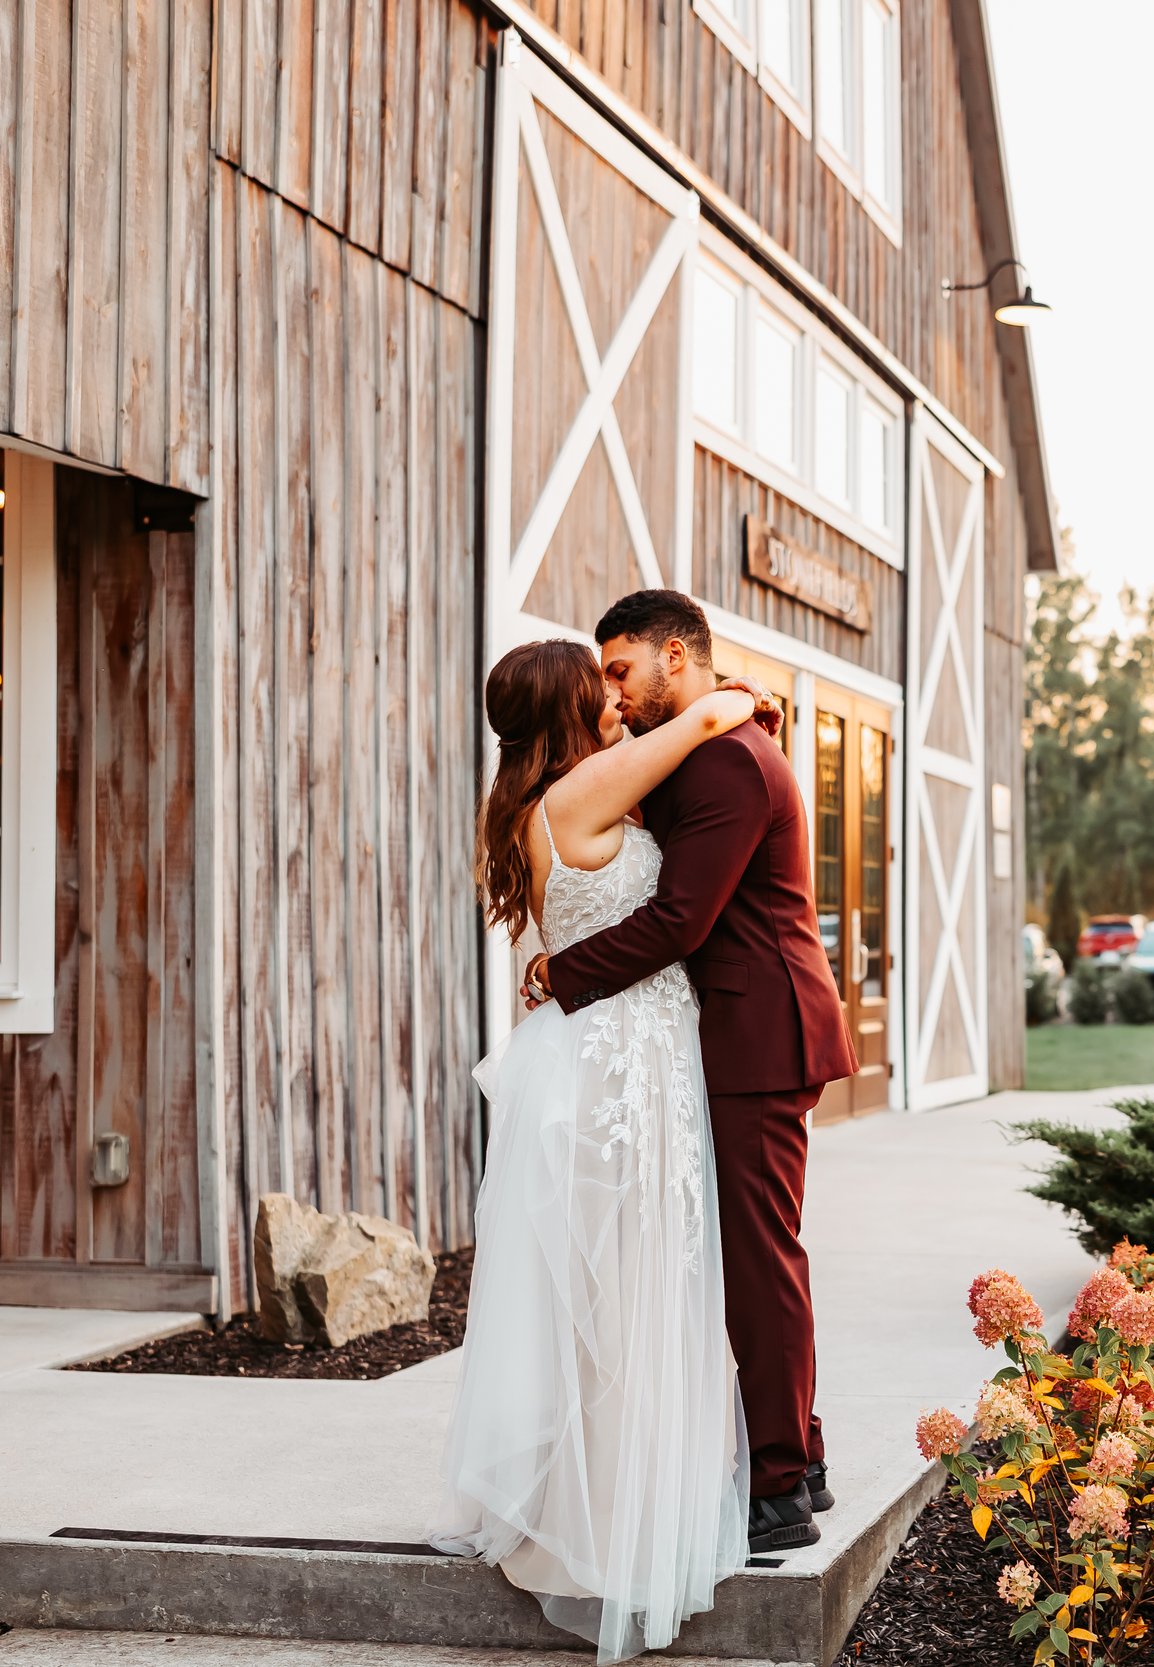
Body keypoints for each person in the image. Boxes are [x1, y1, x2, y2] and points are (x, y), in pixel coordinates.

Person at [430, 634, 780, 1661]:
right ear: (572, 707)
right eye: (605, 686)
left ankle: (595, 1509)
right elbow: (712, 716)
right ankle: (607, 1535)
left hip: (612, 1056)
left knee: (613, 1298)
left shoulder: (544, 802)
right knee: (622, 1300)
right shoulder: (584, 787)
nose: (621, 701)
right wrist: (747, 692)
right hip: (618, 1068)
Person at [526, 589, 859, 1559]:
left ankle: (777, 1490)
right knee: (748, 1256)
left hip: (761, 1036)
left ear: (678, 656)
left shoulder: (726, 759)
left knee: (757, 1262)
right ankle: (800, 1449)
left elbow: (682, 918)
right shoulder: (711, 740)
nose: (613, 695)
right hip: (734, 1033)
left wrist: (560, 974)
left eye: (622, 670)